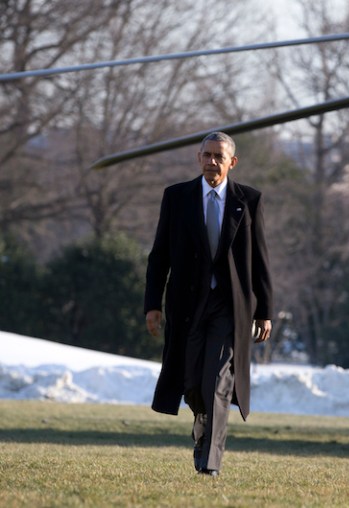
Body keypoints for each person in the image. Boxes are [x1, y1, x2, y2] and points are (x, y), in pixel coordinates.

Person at [144, 131, 272, 477]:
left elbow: (259, 259)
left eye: (219, 156)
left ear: (232, 162)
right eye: (207, 155)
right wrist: (152, 304)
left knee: (217, 379)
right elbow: (159, 256)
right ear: (198, 158)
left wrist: (265, 311)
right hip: (186, 306)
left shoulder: (249, 200)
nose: (212, 162)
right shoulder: (177, 197)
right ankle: (201, 422)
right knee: (191, 381)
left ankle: (210, 461)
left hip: (229, 307)